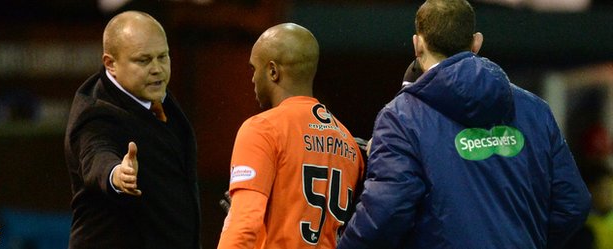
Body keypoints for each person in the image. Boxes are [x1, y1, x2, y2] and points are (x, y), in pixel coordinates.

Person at [337, 0, 591, 248]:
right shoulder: (535, 109)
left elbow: (385, 213)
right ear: (476, 42)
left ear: (418, 44)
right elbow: (573, 204)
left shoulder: (400, 118)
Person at [216, 23, 365, 249]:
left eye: (254, 69)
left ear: (273, 71)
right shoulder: (348, 141)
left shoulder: (262, 128)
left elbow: (244, 225)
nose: (253, 79)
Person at [64, 10, 201, 249]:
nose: (157, 68)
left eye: (163, 56)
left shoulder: (156, 94)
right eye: (144, 60)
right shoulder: (94, 115)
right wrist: (117, 175)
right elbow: (96, 155)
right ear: (110, 64)